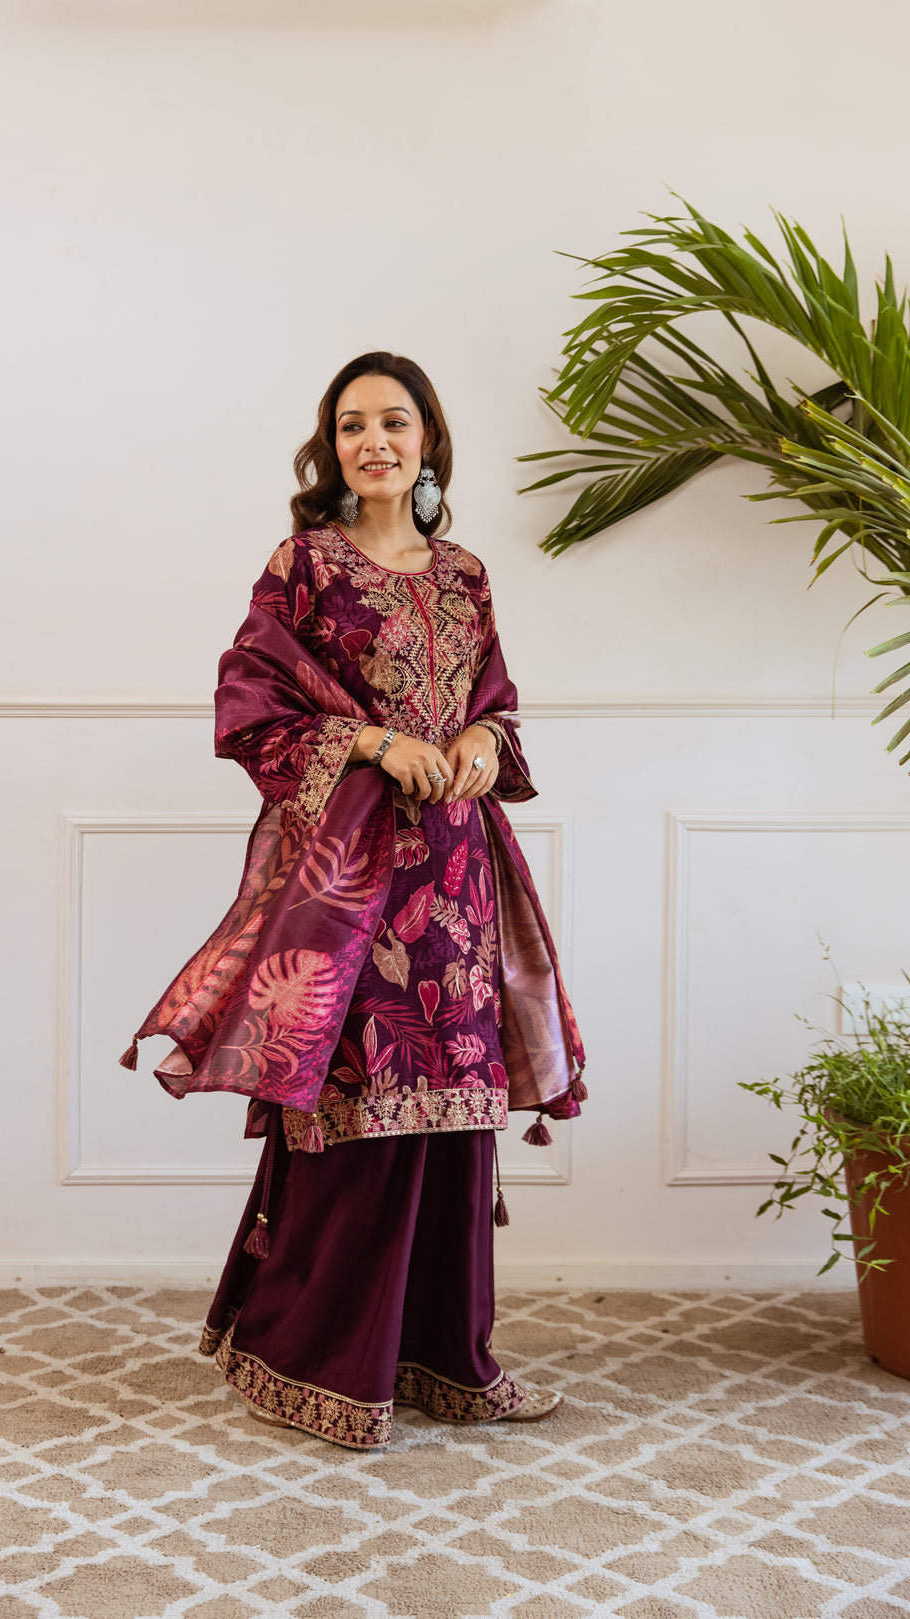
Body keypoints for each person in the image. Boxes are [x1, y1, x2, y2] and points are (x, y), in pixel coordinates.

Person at [120, 352, 586, 1450]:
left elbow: (497, 700)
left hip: (458, 879)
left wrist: (484, 738)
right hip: (351, 882)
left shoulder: (465, 573)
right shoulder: (305, 566)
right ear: (331, 448)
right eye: (351, 425)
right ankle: (314, 1359)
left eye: (395, 422)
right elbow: (248, 705)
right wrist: (373, 741)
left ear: (429, 440)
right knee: (356, 1103)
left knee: (456, 1106)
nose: (374, 441)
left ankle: (451, 1359)